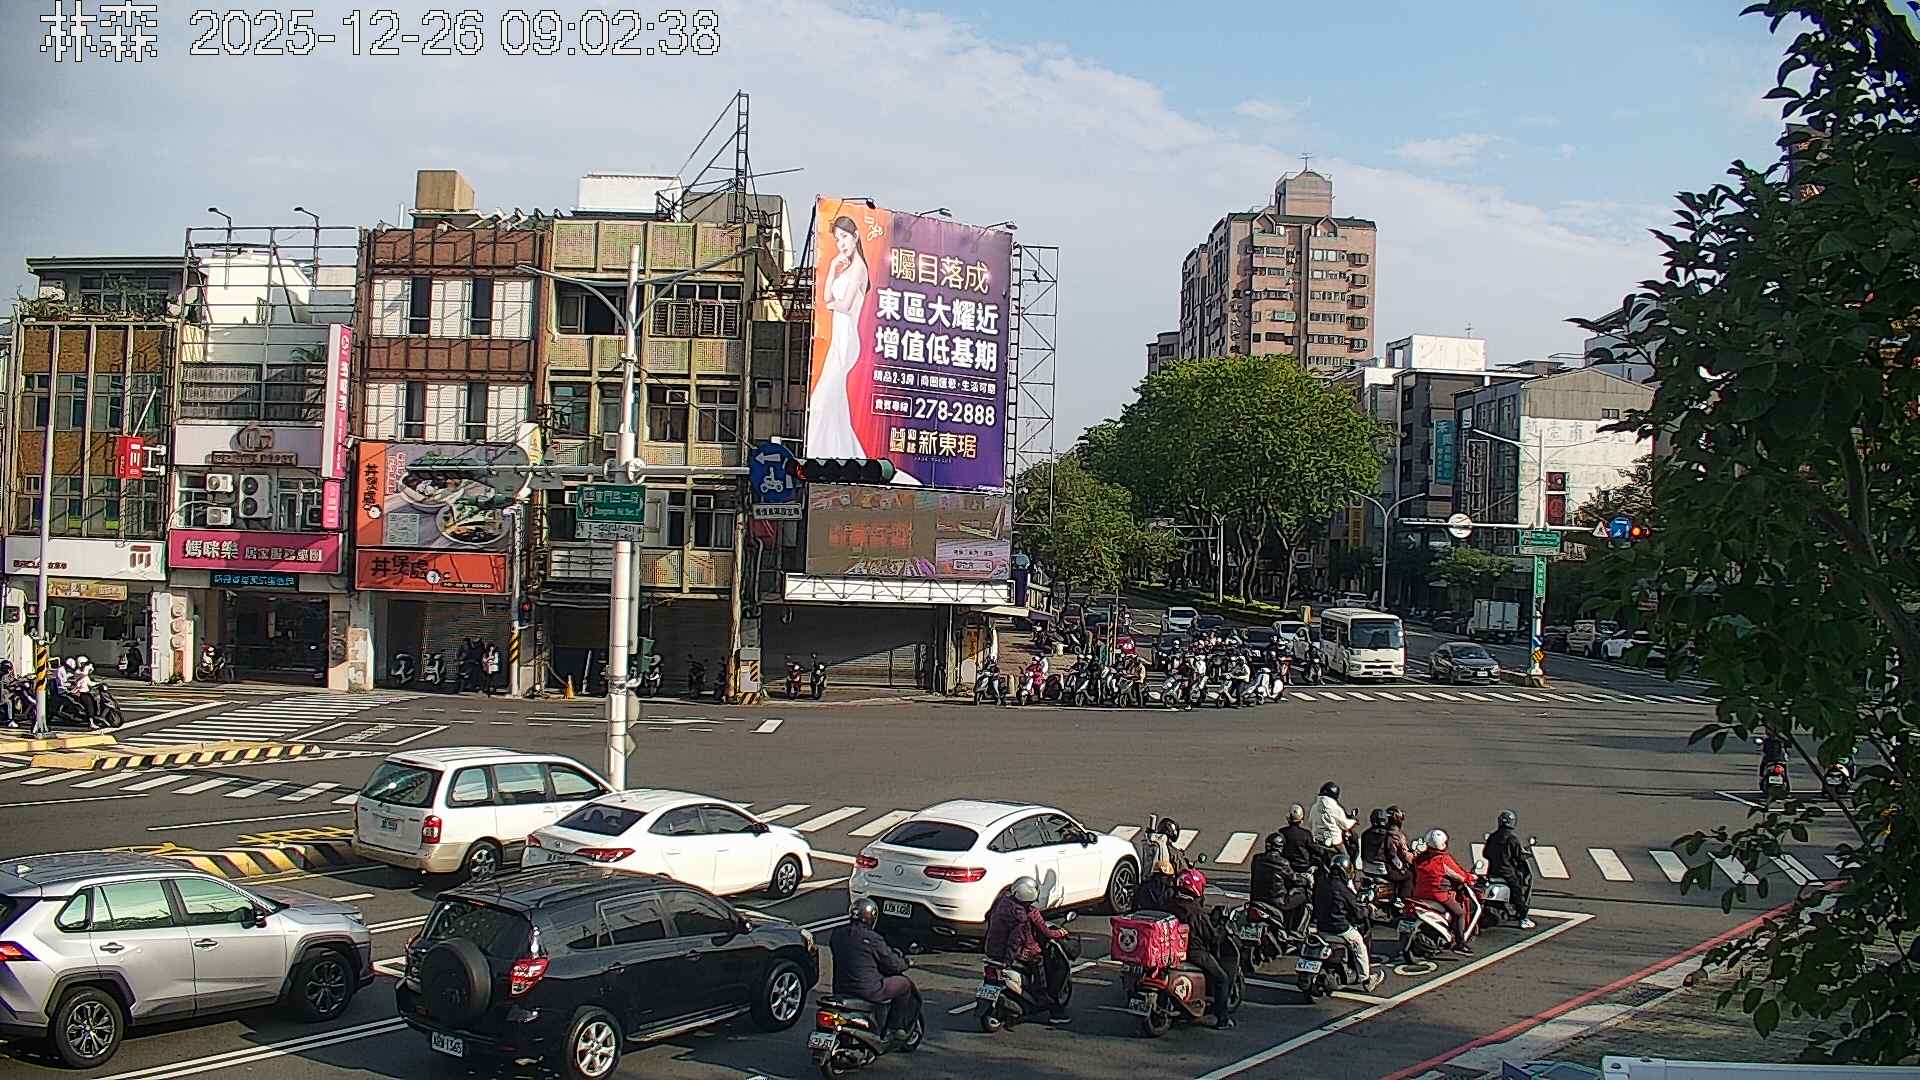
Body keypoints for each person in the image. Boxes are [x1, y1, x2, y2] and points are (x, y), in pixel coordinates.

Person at [806, 215, 873, 460]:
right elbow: (826, 297)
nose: (841, 243)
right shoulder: (845, 268)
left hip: (847, 339)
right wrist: (833, 266)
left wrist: (833, 304)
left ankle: (831, 454)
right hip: (838, 337)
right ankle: (838, 455)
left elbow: (843, 305)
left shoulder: (860, 268)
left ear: (855, 236)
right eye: (837, 239)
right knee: (830, 400)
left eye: (844, 237)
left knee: (823, 399)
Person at [829, 898, 919, 1043]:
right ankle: (894, 1028)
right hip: (868, 990)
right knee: (904, 985)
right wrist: (906, 963)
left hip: (840, 988)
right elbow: (893, 964)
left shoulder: (837, 934)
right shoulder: (873, 939)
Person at [983, 877, 1071, 1024]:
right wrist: (1060, 933)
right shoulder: (1023, 915)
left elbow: (989, 917)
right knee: (1039, 964)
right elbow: (1017, 940)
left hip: (992, 950)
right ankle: (1045, 1000)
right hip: (1016, 953)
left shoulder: (1002, 902)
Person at [1166, 868, 1235, 1030]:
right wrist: (1223, 928)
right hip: (1194, 953)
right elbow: (1213, 937)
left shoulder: (1168, 904)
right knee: (1222, 979)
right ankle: (1221, 1019)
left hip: (1171, 950)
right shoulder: (1196, 912)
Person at [1312, 852, 1382, 991]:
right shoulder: (1342, 889)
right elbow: (1356, 910)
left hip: (1321, 926)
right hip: (1339, 928)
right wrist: (1367, 911)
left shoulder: (1322, 884)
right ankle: (1366, 979)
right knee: (1359, 945)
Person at [1411, 828, 1476, 953]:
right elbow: (1460, 875)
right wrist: (1471, 878)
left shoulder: (1420, 858)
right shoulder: (1443, 860)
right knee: (1460, 913)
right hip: (1438, 894)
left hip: (1419, 893)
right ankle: (1460, 943)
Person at [1483, 810, 1536, 930]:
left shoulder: (1493, 836)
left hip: (1492, 872)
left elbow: (1486, 853)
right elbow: (1518, 856)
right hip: (1507, 873)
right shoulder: (1512, 839)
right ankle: (1523, 918)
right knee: (1518, 893)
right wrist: (1526, 855)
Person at [1306, 781, 1359, 865]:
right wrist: (1354, 821)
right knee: (1346, 859)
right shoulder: (1334, 808)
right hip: (1334, 842)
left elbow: (1310, 822)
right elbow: (1345, 824)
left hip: (1317, 839)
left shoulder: (1314, 807)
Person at [1382, 806, 1416, 903]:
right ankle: (1405, 901)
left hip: (1375, 866)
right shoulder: (1397, 836)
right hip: (1389, 868)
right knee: (1409, 875)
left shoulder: (1378, 832)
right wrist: (1414, 857)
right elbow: (1405, 856)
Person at [1277, 804, 1316, 877]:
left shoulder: (1282, 832)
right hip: (1304, 867)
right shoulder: (1306, 834)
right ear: (1301, 820)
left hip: (1287, 867)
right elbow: (1312, 850)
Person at [1359, 809, 1392, 878]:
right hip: (1382, 870)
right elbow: (1391, 854)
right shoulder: (1388, 835)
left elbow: (1362, 853)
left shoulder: (1365, 834)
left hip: (1366, 868)